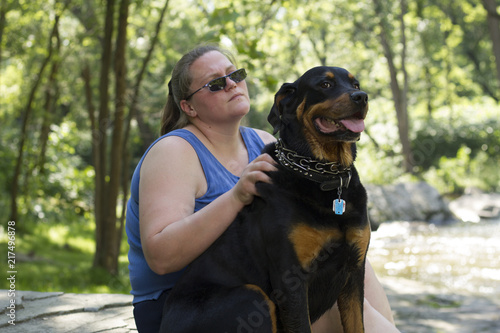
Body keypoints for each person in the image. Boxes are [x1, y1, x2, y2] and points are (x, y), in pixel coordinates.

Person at [126, 44, 400, 333]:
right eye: (216, 84)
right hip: (193, 309)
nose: (232, 84)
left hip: (267, 292)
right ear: (188, 106)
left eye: (236, 74)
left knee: (351, 258)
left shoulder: (261, 142)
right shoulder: (174, 151)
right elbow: (161, 257)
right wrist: (236, 196)